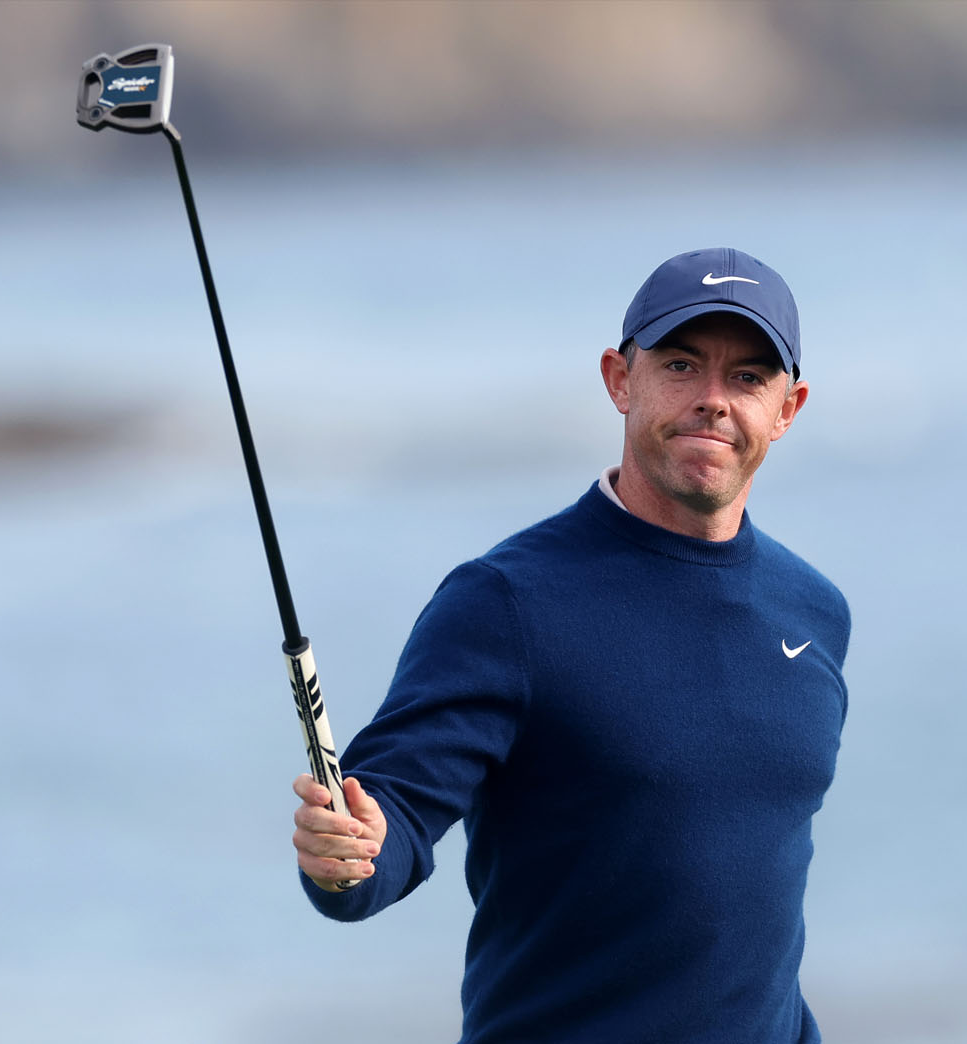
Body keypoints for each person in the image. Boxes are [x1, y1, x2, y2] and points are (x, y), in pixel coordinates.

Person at [290, 247, 850, 1043]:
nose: (714, 402)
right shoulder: (506, 602)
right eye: (683, 365)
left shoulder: (814, 611)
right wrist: (348, 858)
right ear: (621, 379)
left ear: (787, 410)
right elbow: (393, 818)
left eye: (749, 378)